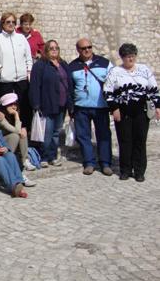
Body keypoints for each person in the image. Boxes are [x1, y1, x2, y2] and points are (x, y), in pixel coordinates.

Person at [104, 43, 160, 182]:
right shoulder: (115, 71)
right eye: (127, 57)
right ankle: (125, 170)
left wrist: (158, 106)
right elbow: (107, 91)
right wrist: (114, 108)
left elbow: (153, 89)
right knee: (125, 141)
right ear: (122, 58)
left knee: (140, 141)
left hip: (141, 110)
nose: (131, 59)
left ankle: (139, 171)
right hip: (123, 111)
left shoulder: (144, 70)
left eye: (133, 56)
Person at [67, 38, 113, 175]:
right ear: (78, 50)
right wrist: (70, 108)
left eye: (89, 47)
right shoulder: (72, 66)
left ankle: (105, 163)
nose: (87, 50)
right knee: (83, 136)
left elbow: (113, 82)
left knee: (104, 135)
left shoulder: (104, 63)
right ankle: (89, 162)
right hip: (81, 107)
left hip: (101, 106)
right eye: (83, 48)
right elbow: (69, 89)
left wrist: (113, 105)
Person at [29, 40, 73, 167]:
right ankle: (44, 157)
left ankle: (53, 156)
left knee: (56, 132)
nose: (54, 50)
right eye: (51, 48)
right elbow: (35, 85)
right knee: (46, 133)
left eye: (56, 48)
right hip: (47, 104)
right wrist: (36, 104)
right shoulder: (40, 65)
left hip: (62, 104)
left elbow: (69, 84)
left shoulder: (63, 64)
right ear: (46, 51)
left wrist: (70, 104)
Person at [0, 12, 33, 128]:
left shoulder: (21, 38)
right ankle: (8, 132)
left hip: (22, 79)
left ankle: (24, 132)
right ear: (3, 24)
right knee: (7, 108)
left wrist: (29, 71)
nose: (11, 24)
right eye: (8, 22)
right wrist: (0, 68)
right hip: (6, 80)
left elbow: (28, 57)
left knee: (23, 106)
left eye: (13, 22)